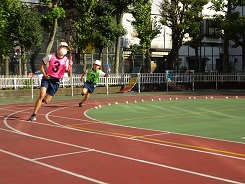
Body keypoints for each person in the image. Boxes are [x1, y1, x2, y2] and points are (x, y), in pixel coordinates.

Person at [28, 42, 73, 121]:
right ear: (59, 48)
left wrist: (70, 66)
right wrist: (44, 74)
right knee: (42, 94)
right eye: (63, 47)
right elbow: (41, 65)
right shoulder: (50, 56)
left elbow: (69, 74)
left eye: (66, 48)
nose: (64, 49)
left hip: (56, 81)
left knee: (46, 101)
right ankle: (34, 114)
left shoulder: (66, 61)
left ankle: (41, 100)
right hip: (47, 78)